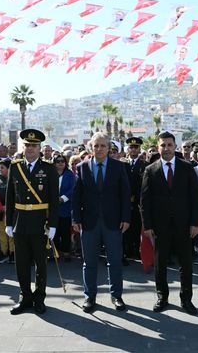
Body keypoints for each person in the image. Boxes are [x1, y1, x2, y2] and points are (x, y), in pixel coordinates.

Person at [141, 131, 198, 315]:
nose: (166, 148)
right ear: (158, 147)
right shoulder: (150, 170)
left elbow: (195, 198)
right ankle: (162, 297)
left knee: (186, 263)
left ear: (175, 146)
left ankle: (186, 299)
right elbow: (145, 200)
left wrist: (195, 222)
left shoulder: (187, 167)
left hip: (184, 225)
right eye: (163, 145)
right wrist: (148, 226)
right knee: (160, 263)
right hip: (160, 226)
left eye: (169, 145)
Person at [72, 133, 131, 313]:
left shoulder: (118, 167)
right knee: (89, 262)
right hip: (89, 223)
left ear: (108, 147)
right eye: (96, 146)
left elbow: (125, 195)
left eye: (103, 146)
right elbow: (76, 196)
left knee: (114, 261)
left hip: (113, 222)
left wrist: (126, 218)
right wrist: (76, 219)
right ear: (91, 147)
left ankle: (117, 295)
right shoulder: (82, 167)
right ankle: (89, 297)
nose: (99, 149)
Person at [6, 129, 59, 315]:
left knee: (40, 264)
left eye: (34, 146)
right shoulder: (15, 166)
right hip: (20, 221)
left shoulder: (49, 168)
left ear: (40, 148)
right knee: (21, 263)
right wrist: (9, 223)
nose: (30, 148)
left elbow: (54, 199)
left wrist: (52, 225)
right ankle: (25, 297)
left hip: (39, 223)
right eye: (27, 145)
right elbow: (10, 197)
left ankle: (39, 298)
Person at [122, 137, 147, 264]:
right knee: (125, 227)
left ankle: (137, 250)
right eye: (131, 147)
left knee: (137, 226)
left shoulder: (145, 165)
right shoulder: (122, 164)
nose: (133, 149)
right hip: (124, 202)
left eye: (136, 147)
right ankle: (127, 251)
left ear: (139, 149)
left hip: (138, 203)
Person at [53, 154, 75, 262]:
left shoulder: (70, 175)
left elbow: (73, 189)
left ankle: (66, 253)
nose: (60, 163)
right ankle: (55, 253)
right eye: (58, 161)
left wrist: (62, 198)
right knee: (54, 232)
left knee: (65, 232)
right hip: (52, 209)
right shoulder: (51, 174)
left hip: (65, 208)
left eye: (62, 161)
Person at [0, 159, 14, 264]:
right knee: (1, 232)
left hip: (11, 211)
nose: (0, 169)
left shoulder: (14, 179)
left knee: (11, 232)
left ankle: (12, 253)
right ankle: (4, 253)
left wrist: (9, 206)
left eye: (2, 167)